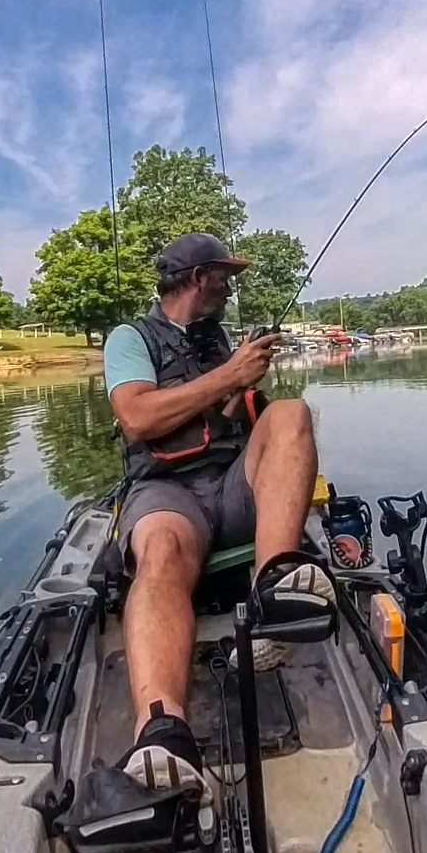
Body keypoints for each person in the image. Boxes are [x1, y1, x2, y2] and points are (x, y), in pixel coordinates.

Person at [103, 232, 334, 794]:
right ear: (199, 277)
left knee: (290, 414)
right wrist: (228, 375)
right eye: (224, 277)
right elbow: (137, 418)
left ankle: (272, 587)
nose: (230, 288)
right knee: (159, 550)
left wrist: (241, 384)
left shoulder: (218, 338)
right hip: (167, 489)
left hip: (230, 482)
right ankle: (162, 731)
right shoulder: (130, 339)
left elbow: (225, 414)